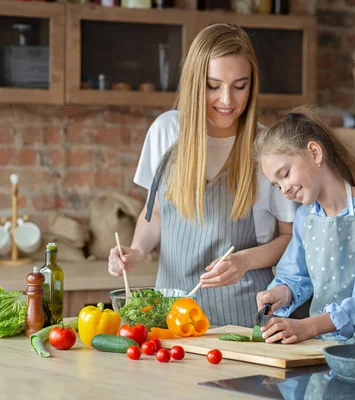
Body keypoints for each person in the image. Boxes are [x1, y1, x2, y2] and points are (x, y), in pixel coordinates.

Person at [107, 24, 297, 328]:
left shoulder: (266, 149)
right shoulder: (166, 132)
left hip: (243, 319)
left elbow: (289, 237)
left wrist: (245, 261)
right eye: (213, 85)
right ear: (196, 82)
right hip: (169, 317)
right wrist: (136, 251)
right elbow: (154, 212)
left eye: (240, 86)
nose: (227, 100)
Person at [254, 108, 355, 344]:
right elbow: (295, 275)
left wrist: (308, 326)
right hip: (326, 345)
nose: (283, 189)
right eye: (276, 185)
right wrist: (280, 293)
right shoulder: (305, 217)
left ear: (314, 153)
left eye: (285, 174)